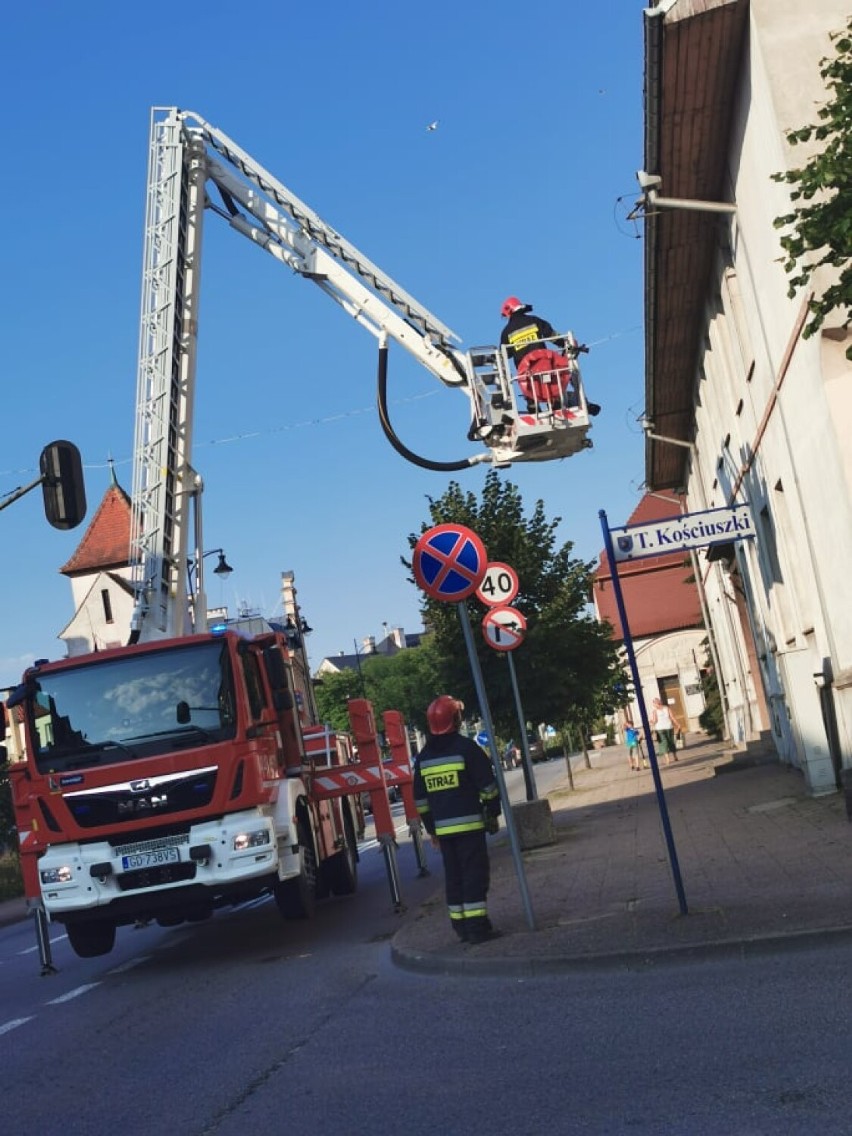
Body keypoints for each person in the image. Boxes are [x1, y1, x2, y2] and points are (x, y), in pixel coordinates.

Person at [413, 695, 502, 945]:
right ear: (455, 719)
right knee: (475, 876)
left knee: (454, 878)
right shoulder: (466, 749)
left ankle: (461, 928)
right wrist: (492, 812)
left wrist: (432, 830)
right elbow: (488, 787)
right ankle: (477, 929)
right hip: (471, 828)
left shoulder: (424, 757)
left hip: (444, 833)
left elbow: (420, 800)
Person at [499, 296, 601, 418]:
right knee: (564, 370)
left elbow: (504, 355)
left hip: (528, 379)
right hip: (548, 370)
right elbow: (553, 336)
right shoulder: (535, 320)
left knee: (528, 386)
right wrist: (568, 344)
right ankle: (570, 402)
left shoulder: (506, 332)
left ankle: (533, 406)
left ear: (508, 312)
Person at [650, 697, 685, 766]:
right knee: (670, 741)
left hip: (662, 728)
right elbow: (672, 717)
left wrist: (651, 722)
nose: (654, 705)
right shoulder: (667, 708)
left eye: (654, 703)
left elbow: (655, 721)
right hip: (667, 727)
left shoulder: (655, 711)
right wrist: (677, 724)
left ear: (656, 703)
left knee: (664, 743)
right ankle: (673, 757)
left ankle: (668, 759)